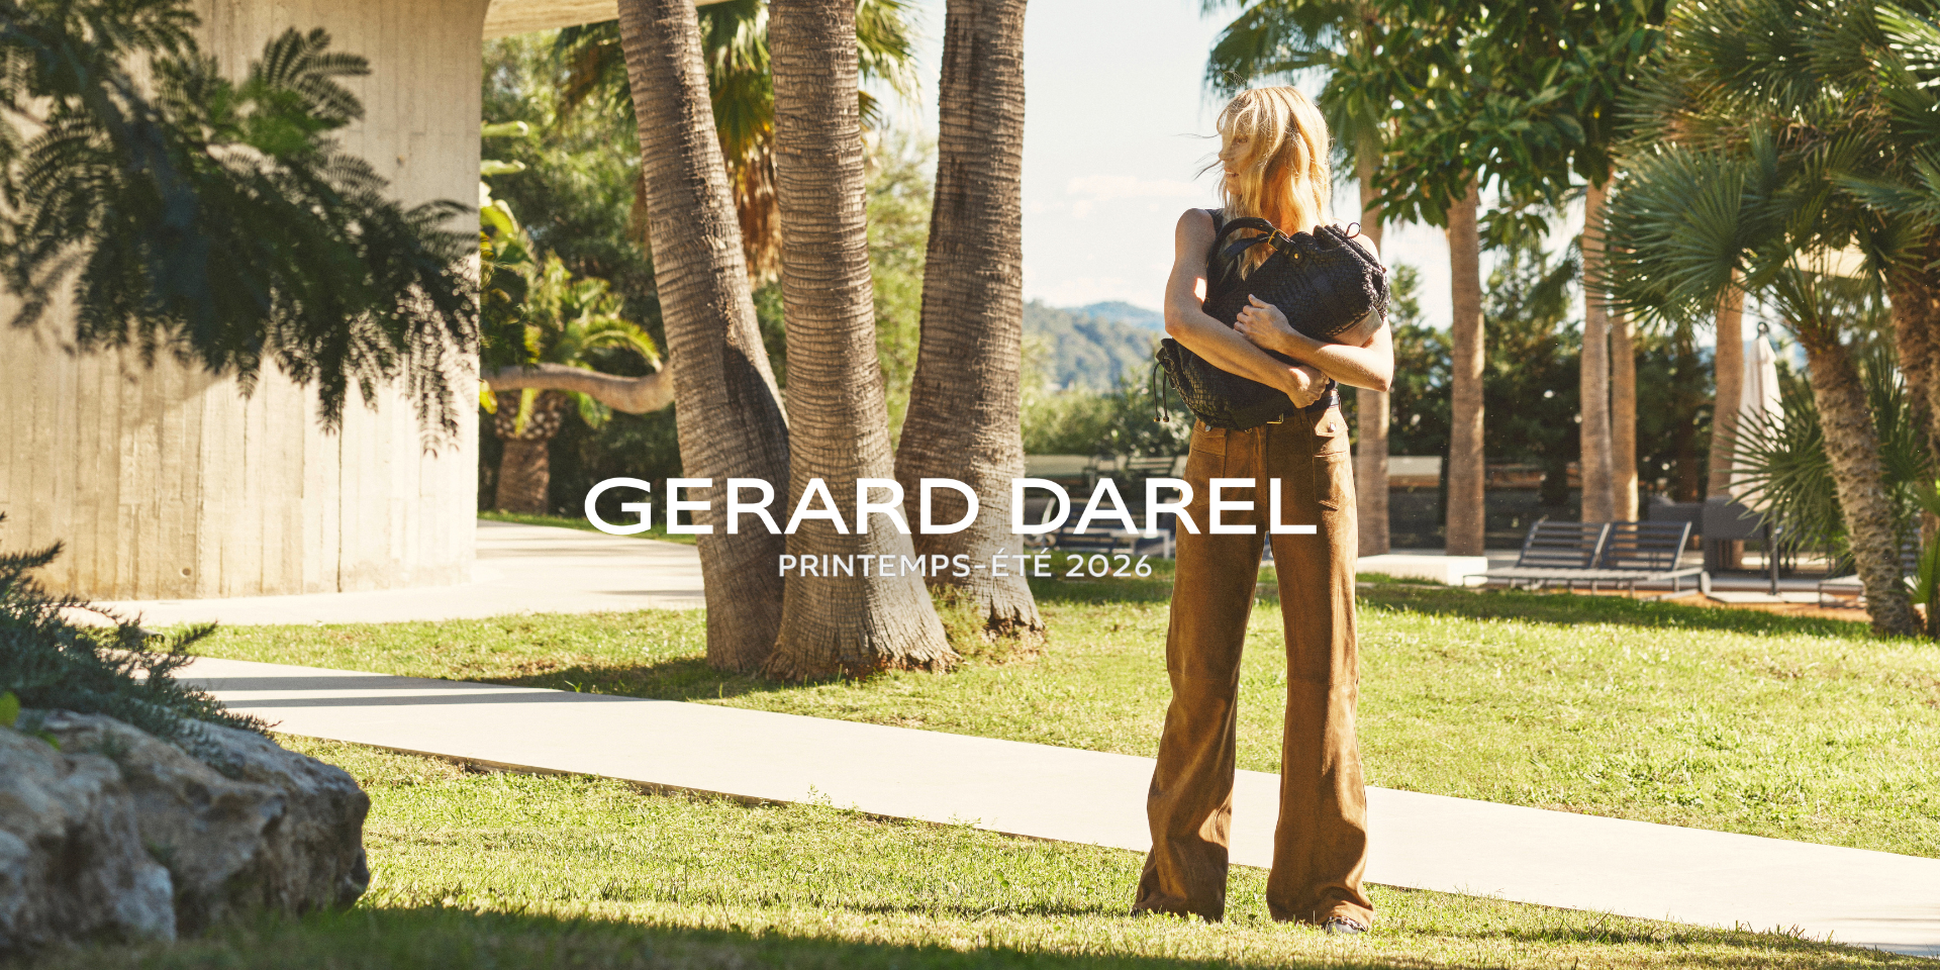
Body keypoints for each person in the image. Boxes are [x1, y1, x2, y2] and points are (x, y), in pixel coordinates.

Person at [1131, 85, 1393, 935]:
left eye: (1246, 146)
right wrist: (1277, 367)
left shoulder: (1344, 253)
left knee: (1325, 672)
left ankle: (1326, 893)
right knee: (1201, 669)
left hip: (1311, 456)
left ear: (1290, 154)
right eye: (1227, 144)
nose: (1229, 161)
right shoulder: (1201, 228)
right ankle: (1180, 887)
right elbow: (1180, 317)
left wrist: (1295, 343)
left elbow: (1378, 369)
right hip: (1219, 453)